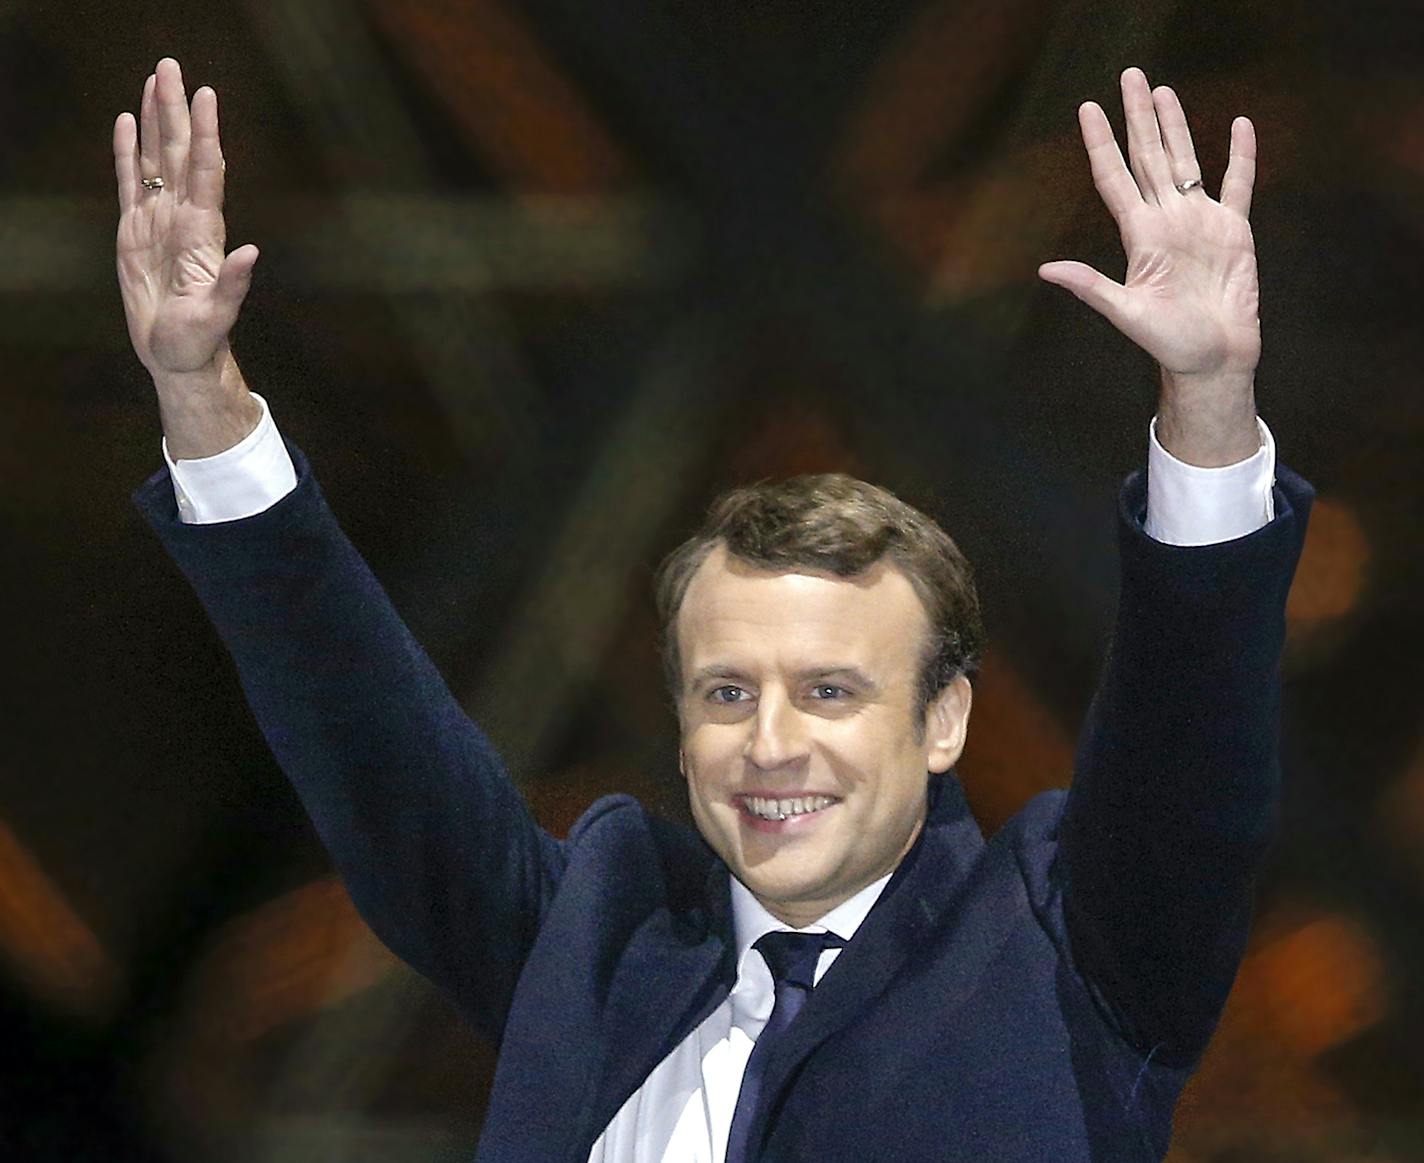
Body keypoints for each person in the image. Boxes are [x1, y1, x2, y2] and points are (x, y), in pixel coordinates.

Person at [116, 57, 1310, 1162]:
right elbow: (368, 743)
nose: (769, 739)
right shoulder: (592, 941)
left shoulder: (1069, 947)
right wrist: (199, 392)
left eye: (830, 688)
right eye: (726, 690)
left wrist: (1206, 398)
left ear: (943, 717)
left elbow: (1185, 750)